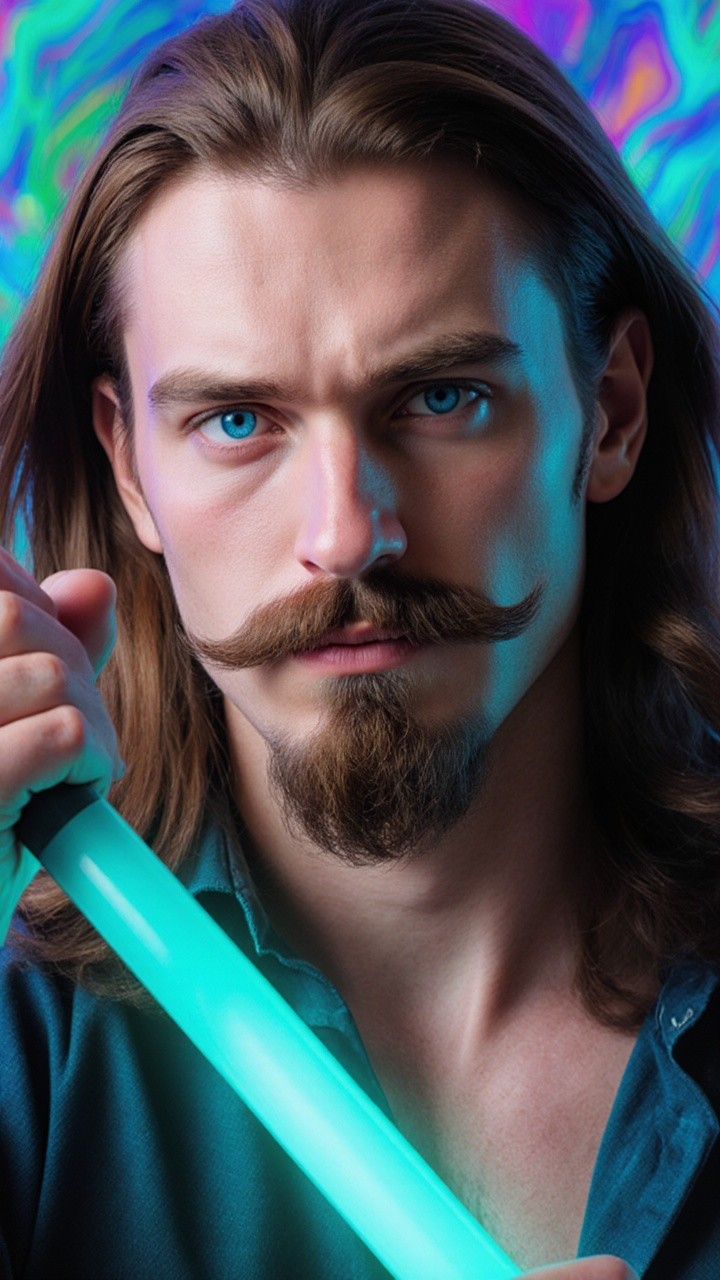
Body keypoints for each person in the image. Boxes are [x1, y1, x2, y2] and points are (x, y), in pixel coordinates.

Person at [0, 0, 718, 1275]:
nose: (343, 535)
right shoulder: (22, 1045)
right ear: (128, 464)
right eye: (236, 421)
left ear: (609, 413)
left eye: (441, 397)